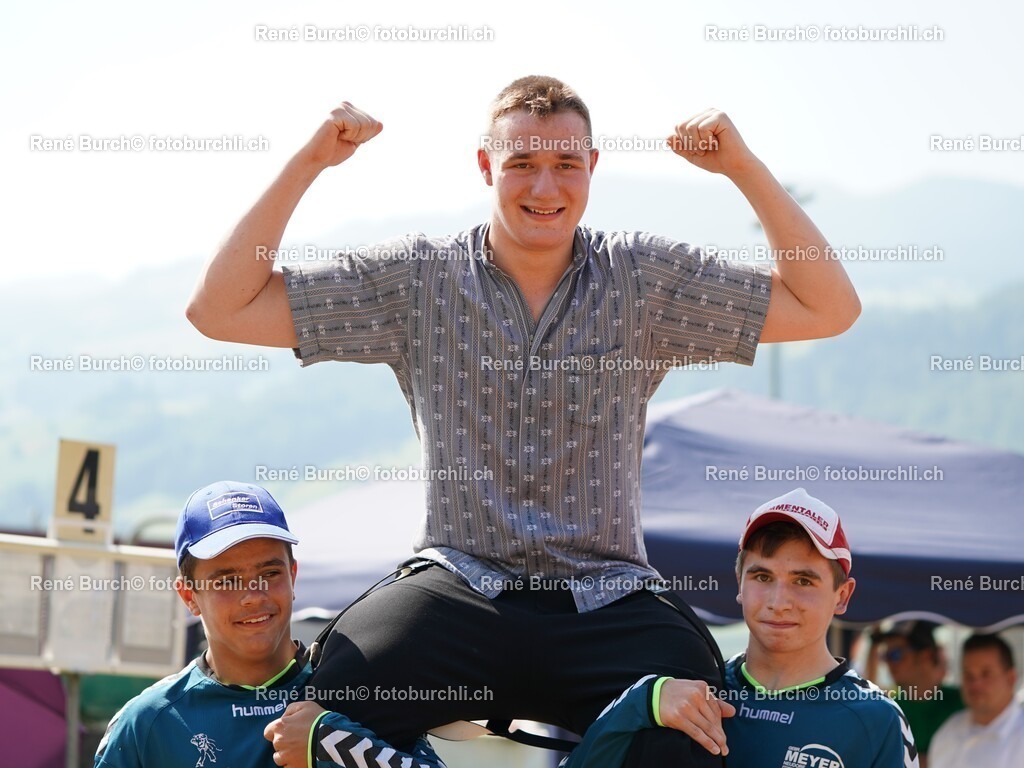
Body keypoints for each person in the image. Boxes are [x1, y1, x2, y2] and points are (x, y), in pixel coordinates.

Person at [187, 75, 861, 766]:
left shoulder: (641, 279)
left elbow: (828, 308)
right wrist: (310, 162)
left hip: (608, 599)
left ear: (593, 167)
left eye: (566, 164)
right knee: (321, 711)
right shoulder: (421, 280)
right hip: (458, 592)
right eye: (522, 165)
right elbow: (221, 310)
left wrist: (742, 170)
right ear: (486, 167)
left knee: (698, 720)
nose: (545, 188)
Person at [559, 488, 919, 768]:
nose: (779, 601)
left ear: (842, 596)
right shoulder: (687, 696)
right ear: (739, 584)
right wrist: (641, 704)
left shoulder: (875, 717)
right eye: (763, 576)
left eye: (803, 581)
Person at [94, 481, 444, 768]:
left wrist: (335, 742)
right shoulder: (148, 724)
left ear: (293, 576)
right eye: (226, 580)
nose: (253, 596)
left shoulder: (361, 693)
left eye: (269, 573)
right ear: (189, 596)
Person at [867, 620, 964, 765]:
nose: (889, 662)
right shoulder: (889, 710)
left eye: (895, 654)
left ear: (925, 656)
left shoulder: (963, 703)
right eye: (885, 656)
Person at [929, 633, 1024, 767]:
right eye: (968, 675)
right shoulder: (948, 732)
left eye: (986, 674)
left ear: (1010, 679)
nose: (975, 684)